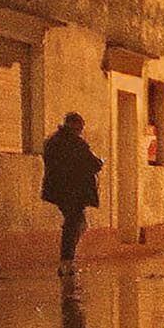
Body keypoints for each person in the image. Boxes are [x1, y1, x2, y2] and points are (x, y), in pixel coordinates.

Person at [40, 112, 102, 276]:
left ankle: (68, 260)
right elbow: (92, 164)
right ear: (74, 125)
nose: (81, 130)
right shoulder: (75, 143)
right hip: (73, 191)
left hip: (57, 190)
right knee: (75, 224)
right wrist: (99, 162)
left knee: (74, 223)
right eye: (80, 127)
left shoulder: (52, 141)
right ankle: (67, 261)